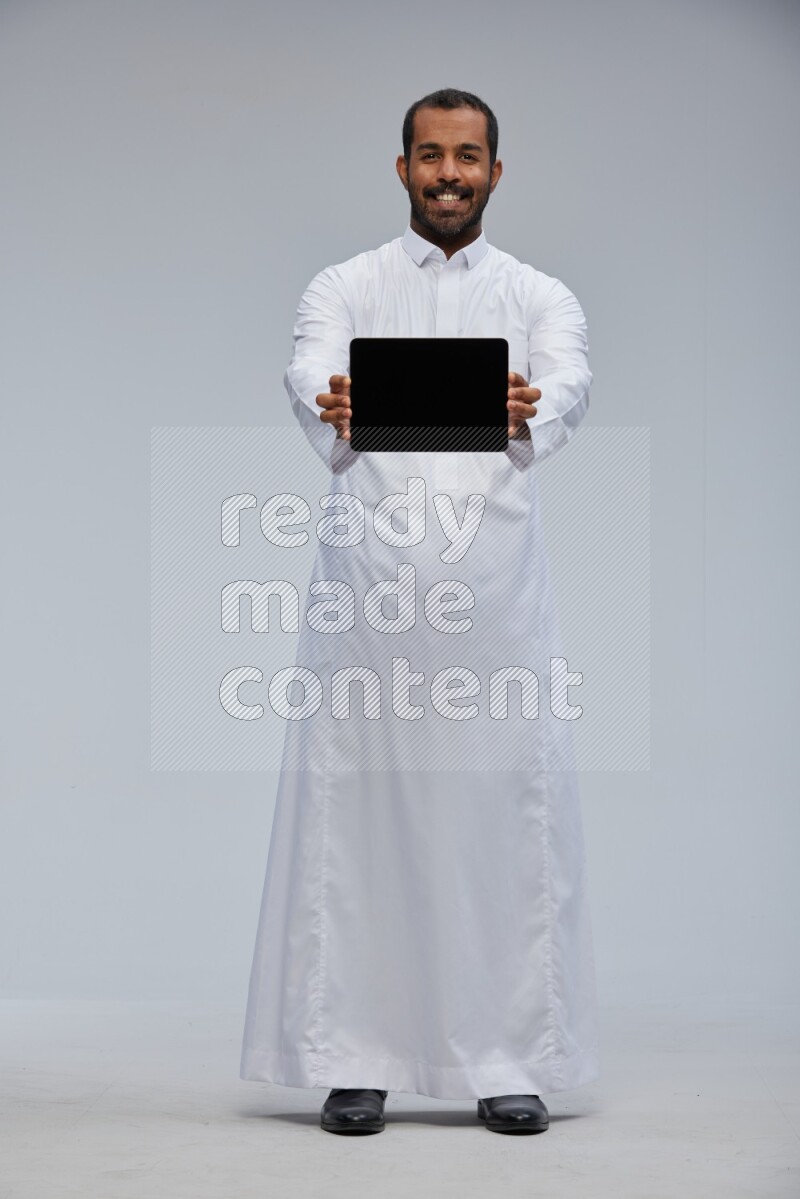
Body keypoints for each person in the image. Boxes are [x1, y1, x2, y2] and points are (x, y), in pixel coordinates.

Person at [240, 87, 599, 1136]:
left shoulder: (540, 296)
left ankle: (506, 1058)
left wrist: (536, 401)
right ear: (400, 167)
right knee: (360, 821)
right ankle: (354, 1055)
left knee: (496, 819)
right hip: (368, 603)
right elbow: (311, 367)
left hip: (493, 601)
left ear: (495, 170)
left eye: (469, 157)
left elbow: (566, 381)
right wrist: (331, 397)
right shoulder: (343, 286)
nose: (449, 173)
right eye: (430, 155)